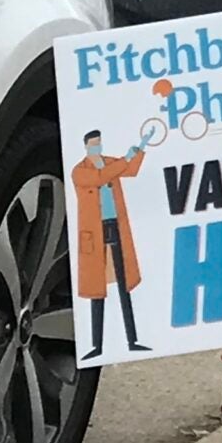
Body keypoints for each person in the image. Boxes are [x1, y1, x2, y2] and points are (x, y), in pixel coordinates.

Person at [71, 129, 149, 357]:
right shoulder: (80, 171)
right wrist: (124, 160)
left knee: (125, 285)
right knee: (97, 291)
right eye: (93, 144)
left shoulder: (109, 163)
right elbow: (100, 178)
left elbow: (131, 169)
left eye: (99, 143)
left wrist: (140, 147)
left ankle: (132, 340)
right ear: (86, 146)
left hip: (115, 226)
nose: (97, 147)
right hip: (95, 233)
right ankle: (96, 346)